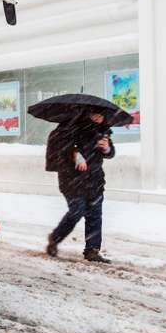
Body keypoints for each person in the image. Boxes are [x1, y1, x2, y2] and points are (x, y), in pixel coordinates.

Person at [45, 112, 115, 263]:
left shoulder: (103, 132)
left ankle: (92, 250)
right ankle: (55, 238)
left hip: (94, 180)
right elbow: (60, 148)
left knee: (94, 215)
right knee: (77, 211)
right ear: (88, 115)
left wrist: (107, 148)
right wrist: (75, 153)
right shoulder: (69, 129)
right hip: (72, 180)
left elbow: (111, 154)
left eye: (101, 116)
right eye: (95, 115)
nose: (98, 118)